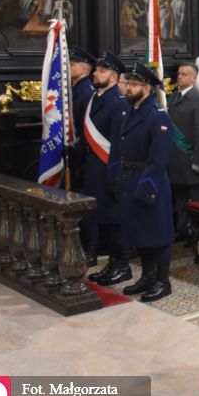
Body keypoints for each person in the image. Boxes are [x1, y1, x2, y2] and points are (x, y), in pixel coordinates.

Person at [107, 63, 176, 302]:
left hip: (150, 181)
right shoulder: (129, 112)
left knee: (157, 234)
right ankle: (147, 276)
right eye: (128, 83)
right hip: (129, 178)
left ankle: (162, 281)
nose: (127, 87)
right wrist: (115, 176)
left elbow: (158, 159)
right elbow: (118, 148)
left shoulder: (158, 117)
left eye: (133, 84)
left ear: (147, 88)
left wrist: (146, 187)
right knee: (140, 232)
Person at [79, 51, 127, 275]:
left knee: (114, 221)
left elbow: (118, 143)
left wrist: (114, 172)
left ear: (115, 77)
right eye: (96, 69)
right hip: (93, 167)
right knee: (99, 217)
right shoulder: (93, 99)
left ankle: (120, 265)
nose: (96, 73)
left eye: (102, 70)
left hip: (108, 166)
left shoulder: (117, 103)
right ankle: (112, 264)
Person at [167, 62, 199, 242]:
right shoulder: (172, 97)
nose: (180, 76)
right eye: (179, 74)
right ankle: (183, 230)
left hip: (191, 157)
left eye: (185, 74)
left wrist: (198, 161)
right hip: (175, 158)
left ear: (194, 78)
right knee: (179, 199)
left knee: (196, 201)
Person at [69, 47, 97, 132]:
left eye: (72, 65)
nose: (67, 67)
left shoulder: (87, 92)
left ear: (84, 69)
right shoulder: (76, 88)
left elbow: (85, 125)